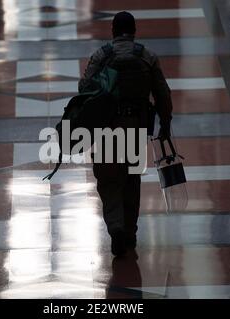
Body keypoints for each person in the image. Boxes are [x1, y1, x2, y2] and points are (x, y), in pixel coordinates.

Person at [78, 11, 173, 256]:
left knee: (109, 182)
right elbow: (163, 93)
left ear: (112, 31)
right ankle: (130, 233)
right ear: (134, 31)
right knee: (131, 180)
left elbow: (84, 89)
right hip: (136, 127)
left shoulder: (101, 56)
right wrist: (165, 124)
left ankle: (116, 227)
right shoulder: (147, 57)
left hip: (107, 129)